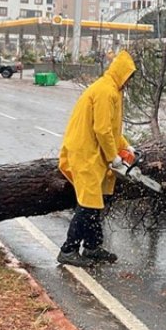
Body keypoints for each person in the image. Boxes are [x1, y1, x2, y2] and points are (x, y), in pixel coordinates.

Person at [57, 49, 137, 267]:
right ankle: (68, 249)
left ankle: (92, 246)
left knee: (100, 202)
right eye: (129, 76)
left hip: (95, 154)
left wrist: (125, 146)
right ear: (122, 73)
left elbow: (112, 129)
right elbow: (102, 130)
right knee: (88, 204)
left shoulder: (114, 91)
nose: (129, 81)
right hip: (85, 153)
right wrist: (114, 157)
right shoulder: (105, 91)